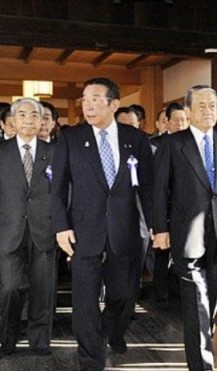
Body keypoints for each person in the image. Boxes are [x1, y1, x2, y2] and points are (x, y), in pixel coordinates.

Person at [51, 77, 153, 370]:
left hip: (124, 229)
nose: (88, 104)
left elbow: (146, 187)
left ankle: (104, 332)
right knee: (84, 301)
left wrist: (159, 226)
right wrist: (61, 226)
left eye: (96, 98)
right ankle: (90, 360)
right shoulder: (71, 138)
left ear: (114, 104)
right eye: (85, 99)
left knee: (124, 294)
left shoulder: (136, 139)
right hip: (83, 231)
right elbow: (57, 188)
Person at [152, 85, 217, 370]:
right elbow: (159, 190)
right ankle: (201, 365)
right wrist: (160, 229)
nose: (208, 110)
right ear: (187, 110)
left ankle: (202, 342)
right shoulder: (173, 144)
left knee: (210, 300)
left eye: (213, 105)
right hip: (187, 235)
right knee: (196, 298)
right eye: (201, 105)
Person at [0, 98, 56, 356]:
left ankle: (39, 340)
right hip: (7, 233)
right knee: (10, 288)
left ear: (42, 120)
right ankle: (7, 338)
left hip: (44, 232)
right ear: (12, 120)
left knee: (42, 289)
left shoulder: (54, 152)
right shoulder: (2, 152)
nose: (29, 120)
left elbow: (63, 193)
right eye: (22, 115)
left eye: (35, 115)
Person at [152, 102, 188, 306]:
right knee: (162, 255)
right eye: (176, 120)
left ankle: (180, 293)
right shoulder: (161, 144)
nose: (180, 124)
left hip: (185, 210)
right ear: (167, 122)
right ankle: (161, 294)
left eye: (184, 120)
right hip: (166, 208)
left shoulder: (192, 143)